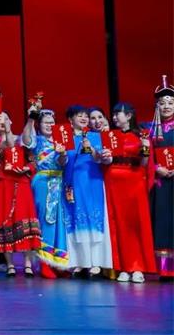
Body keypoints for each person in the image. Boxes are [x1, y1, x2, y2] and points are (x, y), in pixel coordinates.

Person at [104, 102, 156, 283]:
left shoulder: (141, 135)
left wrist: (145, 148)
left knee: (135, 224)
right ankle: (123, 267)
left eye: (118, 113)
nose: (114, 117)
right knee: (118, 224)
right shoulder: (110, 136)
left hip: (134, 181)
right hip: (114, 182)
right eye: (113, 114)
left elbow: (144, 163)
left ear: (129, 116)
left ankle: (138, 267)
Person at [63, 105, 113, 278]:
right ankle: (80, 262)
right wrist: (61, 153)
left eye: (86, 116)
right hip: (72, 183)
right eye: (80, 116)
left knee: (94, 219)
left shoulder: (96, 136)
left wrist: (90, 147)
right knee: (76, 220)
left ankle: (96, 262)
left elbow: (101, 159)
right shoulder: (65, 138)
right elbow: (62, 162)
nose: (84, 118)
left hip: (92, 181)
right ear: (71, 119)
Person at [0, 112, 42, 277]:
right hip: (2, 185)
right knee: (4, 222)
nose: (2, 122)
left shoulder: (22, 139)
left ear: (11, 121)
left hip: (21, 184)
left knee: (25, 220)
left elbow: (32, 160)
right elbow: (1, 151)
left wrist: (28, 168)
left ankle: (28, 264)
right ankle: (10, 264)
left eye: (5, 118)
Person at [22, 109, 70, 278]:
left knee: (60, 223)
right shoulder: (37, 140)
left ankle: (57, 262)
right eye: (46, 122)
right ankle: (43, 263)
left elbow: (63, 162)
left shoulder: (61, 140)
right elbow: (26, 140)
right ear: (39, 125)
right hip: (43, 182)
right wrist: (31, 119)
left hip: (59, 182)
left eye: (52, 122)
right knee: (45, 220)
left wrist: (62, 153)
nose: (50, 125)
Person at [150, 77, 174, 281]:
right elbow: (146, 156)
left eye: (170, 102)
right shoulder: (150, 130)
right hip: (160, 182)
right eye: (162, 102)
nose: (166, 106)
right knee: (163, 221)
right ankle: (165, 268)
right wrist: (157, 168)